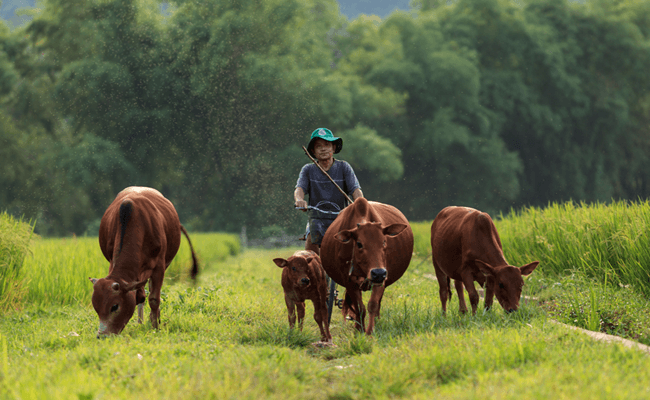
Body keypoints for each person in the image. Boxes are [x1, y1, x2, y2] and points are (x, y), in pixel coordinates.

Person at [294, 128, 363, 255]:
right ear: (313, 151)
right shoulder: (308, 170)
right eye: (318, 146)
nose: (323, 149)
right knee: (310, 243)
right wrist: (299, 200)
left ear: (334, 148)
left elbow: (355, 190)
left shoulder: (344, 167)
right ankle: (317, 271)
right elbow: (300, 189)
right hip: (317, 217)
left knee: (358, 244)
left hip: (342, 216)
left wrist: (360, 204)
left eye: (327, 145)